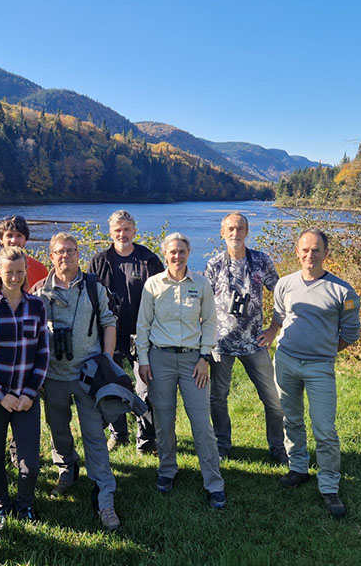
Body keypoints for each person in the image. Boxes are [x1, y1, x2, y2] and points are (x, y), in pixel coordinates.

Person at [258, 228, 361, 518]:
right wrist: (272, 331)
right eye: (305, 249)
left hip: (319, 367)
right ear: (297, 251)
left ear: (326, 253)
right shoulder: (285, 284)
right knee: (291, 418)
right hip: (286, 361)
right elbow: (279, 315)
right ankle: (298, 468)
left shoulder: (343, 291)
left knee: (324, 429)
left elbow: (351, 334)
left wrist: (325, 350)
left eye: (316, 250)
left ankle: (329, 485)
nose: (310, 255)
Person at [31, 232, 122, 531]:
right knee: (58, 430)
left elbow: (109, 322)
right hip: (53, 376)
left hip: (88, 376)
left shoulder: (94, 287)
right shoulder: (38, 291)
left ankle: (105, 498)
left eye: (71, 250)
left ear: (78, 254)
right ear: (51, 255)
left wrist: (106, 362)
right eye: (60, 251)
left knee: (94, 435)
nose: (65, 256)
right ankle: (67, 469)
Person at [136, 232, 226, 510]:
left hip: (193, 362)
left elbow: (210, 322)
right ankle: (167, 470)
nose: (177, 256)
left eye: (182, 251)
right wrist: (143, 360)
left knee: (201, 424)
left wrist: (204, 357)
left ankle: (214, 482)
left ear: (189, 253)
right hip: (159, 359)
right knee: (163, 421)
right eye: (172, 252)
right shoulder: (153, 284)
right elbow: (143, 325)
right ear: (165, 255)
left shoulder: (201, 284)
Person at [0, 247, 49, 531]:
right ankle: (0, 507)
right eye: (8, 272)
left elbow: (43, 354)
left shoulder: (37, 307)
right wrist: (1, 396)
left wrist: (29, 393)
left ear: (26, 271)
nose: (14, 277)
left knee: (30, 462)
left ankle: (24, 504)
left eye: (19, 272)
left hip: (26, 397)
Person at [204, 212, 287, 464]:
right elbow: (203, 304)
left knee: (274, 398)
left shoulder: (261, 261)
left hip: (255, 342)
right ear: (222, 233)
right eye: (230, 228)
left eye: (240, 228)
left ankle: (278, 447)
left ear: (247, 232)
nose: (235, 233)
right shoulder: (214, 264)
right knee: (218, 398)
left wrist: (274, 328)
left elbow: (282, 294)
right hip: (221, 344)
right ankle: (222, 445)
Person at [89, 210, 163, 454]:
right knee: (111, 385)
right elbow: (91, 298)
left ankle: (146, 439)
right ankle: (118, 433)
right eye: (117, 230)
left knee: (146, 387)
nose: (122, 234)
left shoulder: (148, 260)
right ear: (110, 233)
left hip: (143, 333)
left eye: (127, 229)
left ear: (134, 231)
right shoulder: (98, 261)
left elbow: (163, 296)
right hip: (109, 334)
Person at [0, 215, 48, 292]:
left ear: (25, 240)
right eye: (9, 236)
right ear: (1, 239)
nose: (14, 240)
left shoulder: (40, 269)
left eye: (19, 236)